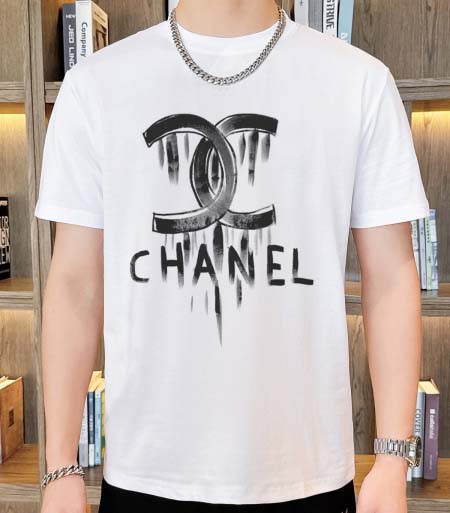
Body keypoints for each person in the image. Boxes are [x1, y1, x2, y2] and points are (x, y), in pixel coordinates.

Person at [34, 1, 429, 512]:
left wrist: (394, 458)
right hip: (145, 475)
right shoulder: (94, 87)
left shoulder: (359, 83)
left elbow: (392, 276)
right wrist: (59, 466)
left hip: (306, 474)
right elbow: (74, 284)